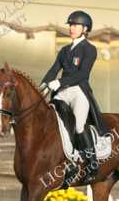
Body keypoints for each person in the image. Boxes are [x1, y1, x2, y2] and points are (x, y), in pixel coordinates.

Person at [41, 10, 109, 182]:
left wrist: (59, 82)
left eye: (76, 25)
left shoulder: (90, 49)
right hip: (62, 92)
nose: (71, 28)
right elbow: (54, 69)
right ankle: (65, 160)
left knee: (78, 126)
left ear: (85, 29)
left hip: (79, 91)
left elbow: (82, 74)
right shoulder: (64, 50)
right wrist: (43, 85)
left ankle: (92, 162)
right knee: (56, 123)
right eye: (71, 25)